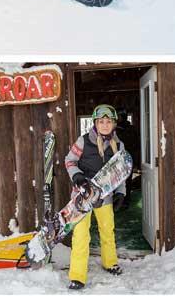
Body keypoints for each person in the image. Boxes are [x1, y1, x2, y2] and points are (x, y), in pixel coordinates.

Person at [64, 105, 126, 290]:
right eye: (101, 122)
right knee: (81, 235)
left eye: (108, 122)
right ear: (96, 124)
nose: (105, 125)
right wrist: (77, 176)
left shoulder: (118, 145)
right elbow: (69, 161)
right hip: (82, 196)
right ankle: (77, 276)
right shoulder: (83, 141)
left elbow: (120, 172)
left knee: (107, 230)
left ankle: (110, 262)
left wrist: (121, 192)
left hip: (104, 195)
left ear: (113, 124)